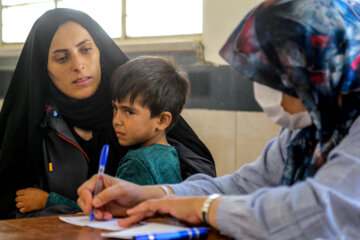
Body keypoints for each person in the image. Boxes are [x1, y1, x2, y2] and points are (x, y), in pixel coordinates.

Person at [77, 0, 360, 239]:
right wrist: (147, 194)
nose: (265, 91)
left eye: (279, 79)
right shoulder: (308, 130)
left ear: (321, 73)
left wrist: (206, 208)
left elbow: (320, 212)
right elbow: (241, 185)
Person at [0, 8, 215, 219]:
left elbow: (199, 181)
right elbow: (14, 206)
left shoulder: (134, 99)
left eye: (85, 50)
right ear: (43, 67)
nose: (78, 65)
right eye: (62, 58)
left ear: (100, 50)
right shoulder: (34, 123)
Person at [111, 56, 189, 185]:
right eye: (115, 108)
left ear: (162, 120)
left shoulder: (136, 163)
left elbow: (113, 205)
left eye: (129, 112)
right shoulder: (169, 153)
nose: (116, 120)